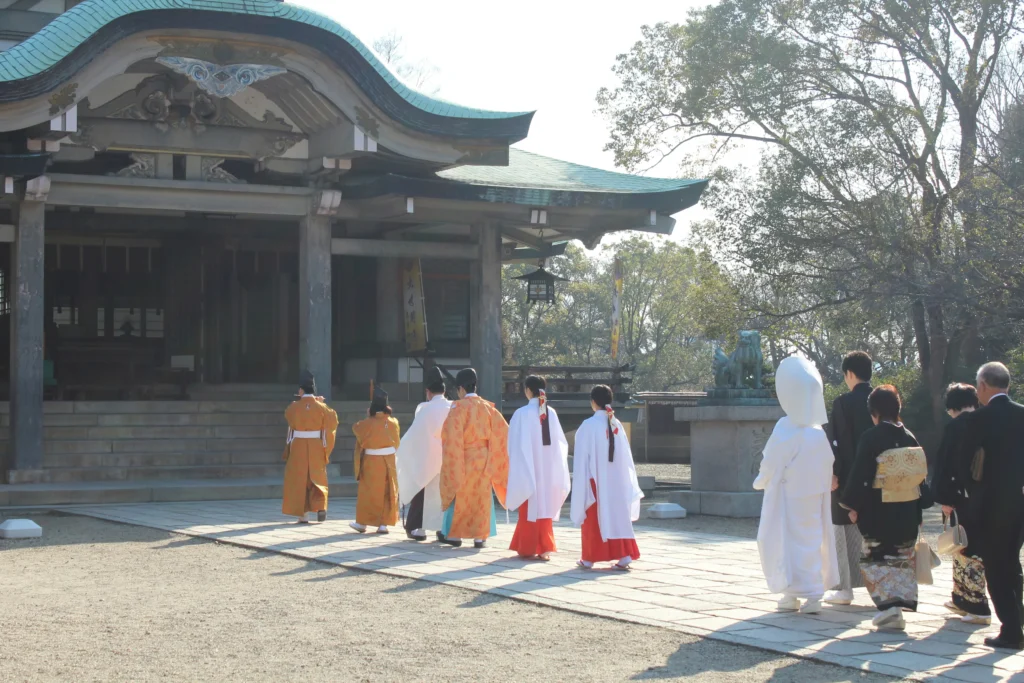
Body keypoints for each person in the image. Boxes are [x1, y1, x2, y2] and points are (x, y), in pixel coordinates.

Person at [753, 356, 839, 614]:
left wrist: (763, 479)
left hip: (789, 496)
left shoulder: (786, 427)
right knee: (811, 541)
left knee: (785, 542)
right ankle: (812, 593)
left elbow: (772, 459)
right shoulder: (817, 431)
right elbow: (828, 463)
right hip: (813, 496)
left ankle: (792, 592)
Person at [840, 385, 931, 630]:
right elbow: (920, 477)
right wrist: (921, 507)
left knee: (877, 557)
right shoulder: (909, 436)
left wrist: (852, 504)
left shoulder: (871, 437)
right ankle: (896, 608)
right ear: (897, 409)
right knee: (900, 557)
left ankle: (889, 608)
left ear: (874, 412)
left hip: (879, 509)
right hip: (907, 507)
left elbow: (861, 475)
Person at [961, 362, 1024, 651]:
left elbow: (968, 463)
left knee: (996, 566)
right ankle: (1016, 622)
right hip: (1019, 499)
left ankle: (1011, 629)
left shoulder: (979, 419)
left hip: (990, 503)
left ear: (983, 385)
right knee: (1012, 561)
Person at [933, 383, 990, 625]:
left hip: (961, 495)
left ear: (953, 407)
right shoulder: (987, 422)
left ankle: (977, 604)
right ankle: (961, 598)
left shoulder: (956, 427)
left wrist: (944, 499)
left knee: (965, 547)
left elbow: (946, 464)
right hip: (989, 495)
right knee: (968, 546)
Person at [570, 385, 643, 570]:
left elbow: (581, 459)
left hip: (595, 481)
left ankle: (589, 558)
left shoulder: (588, 425)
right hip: (617, 480)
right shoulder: (616, 423)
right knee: (618, 516)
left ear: (593, 402)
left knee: (594, 519)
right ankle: (624, 555)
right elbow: (626, 456)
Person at [439, 368, 510, 549]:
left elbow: (450, 436)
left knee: (460, 494)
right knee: (482, 497)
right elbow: (503, 432)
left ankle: (455, 535)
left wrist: (451, 458)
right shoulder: (488, 408)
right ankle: (480, 537)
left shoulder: (458, 408)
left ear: (461, 388)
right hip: (484, 458)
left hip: (463, 456)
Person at [825, 351, 874, 605]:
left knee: (842, 532)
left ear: (850, 374)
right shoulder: (882, 398)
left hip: (849, 477)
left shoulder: (842, 403)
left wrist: (834, 473)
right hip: (879, 478)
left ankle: (845, 588)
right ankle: (880, 585)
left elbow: (838, 442)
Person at [506, 375, 571, 561]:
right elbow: (560, 444)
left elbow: (513, 444)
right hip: (547, 468)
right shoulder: (551, 412)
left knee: (530, 505)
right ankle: (545, 547)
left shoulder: (521, 414)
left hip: (528, 467)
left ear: (528, 390)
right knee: (545, 506)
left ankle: (527, 546)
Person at [396, 367, 452, 542]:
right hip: (449, 457)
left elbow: (416, 434)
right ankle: (444, 529)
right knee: (446, 495)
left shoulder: (424, 409)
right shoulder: (454, 407)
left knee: (421, 493)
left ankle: (416, 527)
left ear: (428, 391)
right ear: (445, 391)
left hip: (428, 457)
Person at [282, 370, 339, 524]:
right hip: (316, 445)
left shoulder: (294, 407)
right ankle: (321, 507)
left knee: (300, 478)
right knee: (317, 476)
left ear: (301, 390)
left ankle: (303, 514)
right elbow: (332, 420)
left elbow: (288, 416)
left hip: (299, 444)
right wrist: (320, 402)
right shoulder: (321, 407)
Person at [350, 385, 401, 534]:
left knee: (368, 492)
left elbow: (356, 428)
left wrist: (369, 417)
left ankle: (363, 522)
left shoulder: (366, 423)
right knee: (387, 491)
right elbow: (396, 442)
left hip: (372, 460)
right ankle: (384, 524)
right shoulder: (393, 422)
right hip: (389, 461)